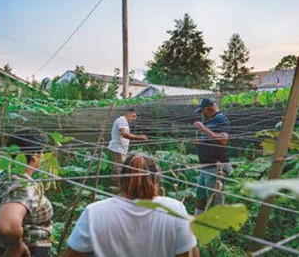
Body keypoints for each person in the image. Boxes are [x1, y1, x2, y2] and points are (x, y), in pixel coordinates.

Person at [65, 154, 199, 257]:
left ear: (121, 180)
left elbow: (73, 254)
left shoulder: (94, 212)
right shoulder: (174, 209)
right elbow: (190, 254)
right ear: (155, 180)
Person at [0, 127, 53, 257]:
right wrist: (16, 246)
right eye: (42, 153)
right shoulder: (26, 188)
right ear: (35, 156)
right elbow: (6, 226)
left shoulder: (0, 175)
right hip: (28, 251)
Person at [193, 98, 231, 215]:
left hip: (216, 167)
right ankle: (196, 220)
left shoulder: (221, 120)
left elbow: (223, 140)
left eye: (202, 111)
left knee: (215, 200)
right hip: (205, 167)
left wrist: (203, 128)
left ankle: (217, 228)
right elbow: (212, 139)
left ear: (206, 108)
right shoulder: (212, 121)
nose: (201, 115)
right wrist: (200, 143)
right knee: (200, 196)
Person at [107, 108, 148, 178]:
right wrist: (140, 138)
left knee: (119, 170)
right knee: (119, 171)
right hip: (118, 150)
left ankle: (118, 186)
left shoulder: (123, 121)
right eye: (133, 116)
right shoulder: (122, 121)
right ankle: (118, 187)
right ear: (128, 113)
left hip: (119, 150)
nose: (134, 119)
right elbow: (124, 134)